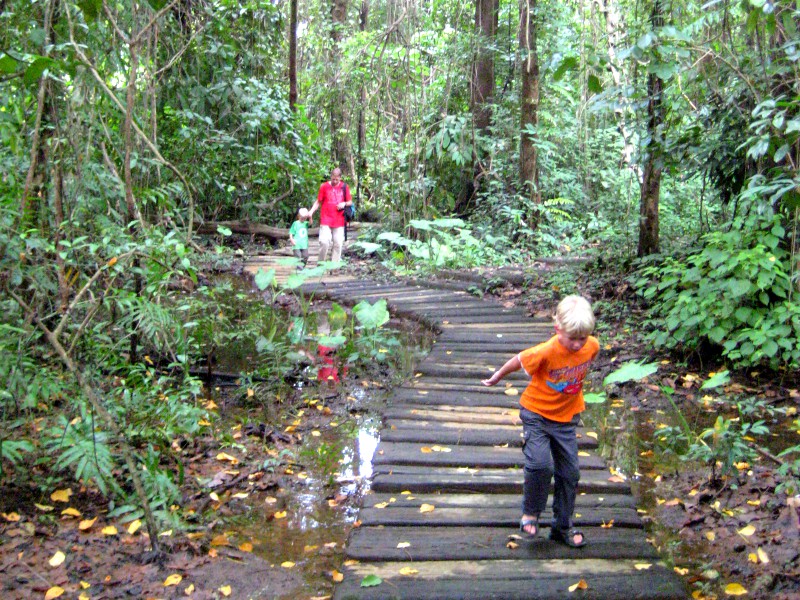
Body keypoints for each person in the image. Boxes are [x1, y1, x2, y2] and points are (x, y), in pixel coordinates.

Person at [481, 295, 599, 548]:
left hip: (567, 419)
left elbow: (583, 364)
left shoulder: (592, 346)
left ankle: (562, 527)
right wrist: (496, 377)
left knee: (570, 473)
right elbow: (519, 360)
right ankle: (530, 513)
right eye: (572, 338)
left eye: (583, 338)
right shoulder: (546, 350)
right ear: (558, 330)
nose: (578, 344)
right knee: (540, 465)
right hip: (536, 414)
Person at [307, 167, 352, 264]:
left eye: (337, 179)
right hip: (326, 219)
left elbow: (350, 202)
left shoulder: (344, 187)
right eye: (333, 179)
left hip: (339, 220)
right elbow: (318, 201)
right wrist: (311, 211)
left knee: (338, 243)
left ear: (340, 178)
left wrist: (343, 204)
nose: (335, 181)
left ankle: (334, 266)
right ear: (331, 176)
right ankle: (321, 264)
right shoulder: (324, 186)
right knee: (324, 242)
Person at [288, 207, 310, 272]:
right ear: (298, 216)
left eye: (304, 218)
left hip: (304, 244)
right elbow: (291, 232)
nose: (303, 219)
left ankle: (302, 267)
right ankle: (299, 269)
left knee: (305, 256)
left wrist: (310, 216)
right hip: (296, 244)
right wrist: (291, 239)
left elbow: (311, 223)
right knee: (298, 256)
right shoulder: (295, 223)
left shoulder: (306, 223)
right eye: (302, 217)